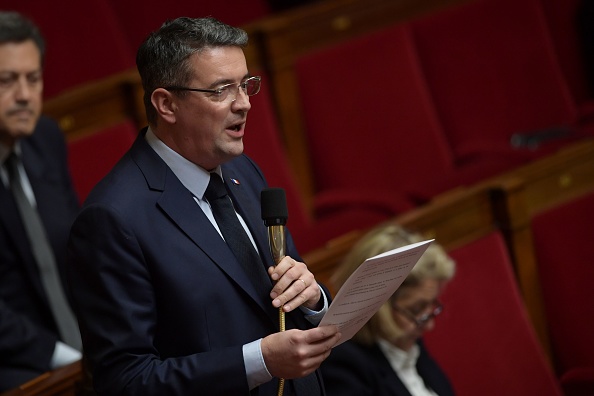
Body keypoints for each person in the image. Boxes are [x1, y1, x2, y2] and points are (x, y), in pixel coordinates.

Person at [67, 16, 341, 395]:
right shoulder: (113, 219)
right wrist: (258, 361)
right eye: (220, 90)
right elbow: (124, 380)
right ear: (166, 104)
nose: (244, 103)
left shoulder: (242, 169)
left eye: (245, 85)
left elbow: (282, 299)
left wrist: (314, 300)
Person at [0, 11, 82, 392]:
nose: (24, 95)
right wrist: (66, 357)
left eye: (33, 80)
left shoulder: (45, 139)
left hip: (80, 342)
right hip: (14, 362)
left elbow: (80, 246)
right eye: (6, 81)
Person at [320, 222, 456, 396]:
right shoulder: (343, 364)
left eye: (431, 306)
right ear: (376, 305)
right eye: (416, 309)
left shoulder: (408, 343)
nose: (429, 325)